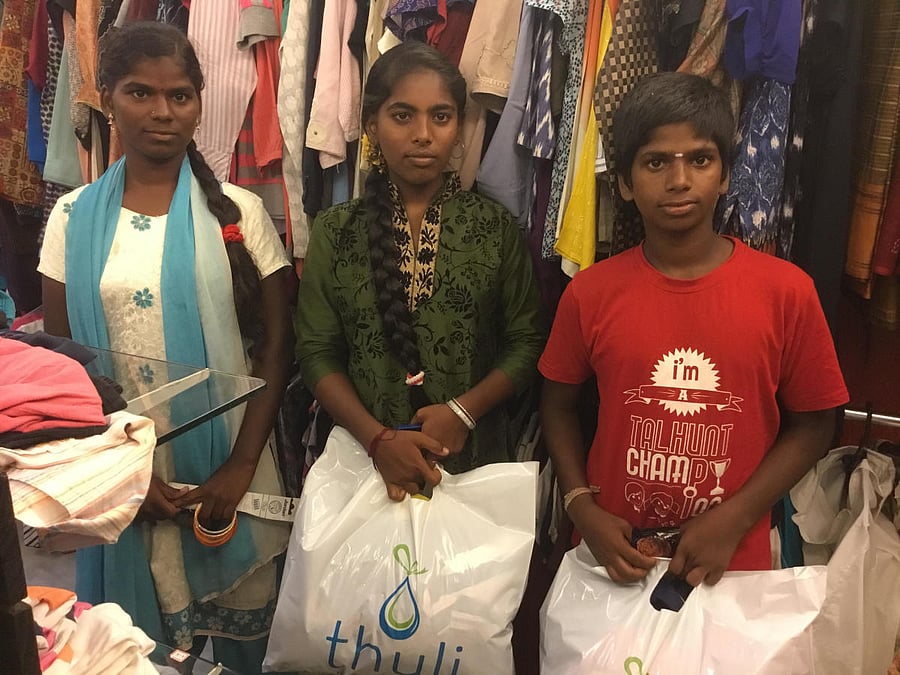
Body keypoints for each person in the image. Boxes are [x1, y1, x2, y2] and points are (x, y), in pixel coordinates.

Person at [38, 22, 292, 673]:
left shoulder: (238, 213)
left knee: (245, 647)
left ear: (200, 101)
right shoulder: (71, 218)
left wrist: (238, 467)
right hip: (124, 490)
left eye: (180, 95)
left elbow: (275, 349)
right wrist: (127, 480)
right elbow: (67, 370)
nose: (161, 111)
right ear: (109, 98)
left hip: (231, 483)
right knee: (136, 652)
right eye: (139, 93)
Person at [539, 72, 849, 587]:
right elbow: (557, 403)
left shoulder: (786, 292)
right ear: (623, 181)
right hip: (611, 557)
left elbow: (816, 423)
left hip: (729, 563)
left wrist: (735, 516)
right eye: (656, 162)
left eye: (700, 160)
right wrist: (581, 507)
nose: (679, 180)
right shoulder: (591, 293)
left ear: (726, 174)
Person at [295, 41, 544, 500]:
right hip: (360, 465)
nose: (424, 134)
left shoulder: (494, 228)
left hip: (472, 467)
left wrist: (463, 413)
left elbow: (527, 342)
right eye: (403, 115)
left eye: (441, 116)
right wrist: (378, 439)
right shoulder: (336, 231)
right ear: (372, 124)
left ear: (459, 127)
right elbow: (316, 352)